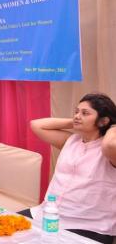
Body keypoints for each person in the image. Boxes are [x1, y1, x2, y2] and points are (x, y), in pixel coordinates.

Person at [24, 93, 116, 244]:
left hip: (88, 226)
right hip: (48, 214)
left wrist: (112, 127)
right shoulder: (71, 141)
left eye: (85, 113)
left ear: (102, 121)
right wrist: (76, 121)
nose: (77, 116)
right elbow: (36, 124)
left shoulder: (109, 151)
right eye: (76, 112)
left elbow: (110, 145)